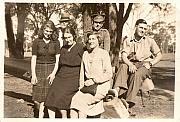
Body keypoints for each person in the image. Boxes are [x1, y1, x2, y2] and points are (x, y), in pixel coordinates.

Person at [110, 19, 162, 116]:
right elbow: (124, 55)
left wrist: (151, 64)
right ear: (136, 27)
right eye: (141, 27)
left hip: (144, 65)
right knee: (122, 67)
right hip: (132, 63)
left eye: (145, 29)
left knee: (137, 74)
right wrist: (130, 64)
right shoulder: (128, 40)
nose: (143, 30)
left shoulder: (150, 41)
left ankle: (128, 103)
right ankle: (115, 93)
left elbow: (159, 55)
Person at [70, 31, 113, 118]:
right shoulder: (85, 54)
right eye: (89, 39)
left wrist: (94, 80)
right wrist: (81, 87)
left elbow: (109, 74)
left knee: (82, 105)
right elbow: (82, 73)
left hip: (101, 86)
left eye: (93, 39)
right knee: (74, 102)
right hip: (87, 87)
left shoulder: (104, 53)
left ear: (98, 40)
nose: (91, 41)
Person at [45, 27, 84, 118]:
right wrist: (53, 74)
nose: (67, 40)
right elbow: (58, 63)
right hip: (61, 75)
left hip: (74, 75)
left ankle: (64, 116)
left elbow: (85, 64)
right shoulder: (63, 48)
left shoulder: (80, 47)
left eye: (69, 37)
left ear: (74, 36)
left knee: (62, 95)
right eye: (65, 38)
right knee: (51, 94)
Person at [31, 20, 60, 118]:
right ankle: (40, 117)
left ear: (53, 32)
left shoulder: (56, 42)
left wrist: (53, 74)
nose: (48, 33)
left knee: (50, 95)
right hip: (39, 69)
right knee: (39, 98)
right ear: (43, 30)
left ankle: (51, 118)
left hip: (51, 69)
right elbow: (34, 58)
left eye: (50, 31)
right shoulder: (36, 41)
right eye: (46, 31)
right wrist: (34, 75)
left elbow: (57, 60)